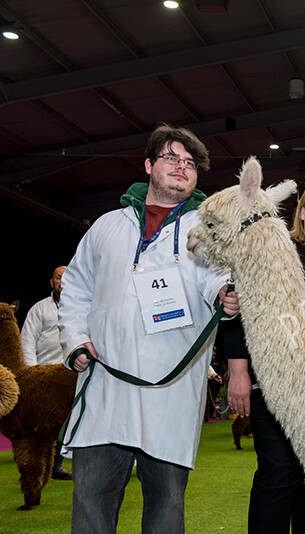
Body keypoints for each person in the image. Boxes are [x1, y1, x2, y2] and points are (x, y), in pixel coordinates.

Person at [58, 124, 239, 533]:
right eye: (171, 158)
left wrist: (225, 295)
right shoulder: (108, 225)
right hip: (107, 385)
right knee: (91, 509)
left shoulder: (205, 228)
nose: (181, 167)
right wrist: (74, 339)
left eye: (190, 163)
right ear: (148, 165)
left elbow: (216, 276)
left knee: (165, 510)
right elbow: (76, 285)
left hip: (169, 394)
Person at [226, 176, 305, 534]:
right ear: (301, 212)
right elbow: (240, 313)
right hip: (278, 387)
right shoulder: (276, 254)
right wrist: (239, 372)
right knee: (279, 474)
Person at [20, 265, 72, 480]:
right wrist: (31, 373)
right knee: (42, 422)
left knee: (65, 419)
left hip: (70, 373)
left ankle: (56, 464)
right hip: (43, 375)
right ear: (52, 282)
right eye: (59, 277)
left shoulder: (81, 308)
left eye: (67, 277)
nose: (62, 281)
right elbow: (27, 341)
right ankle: (35, 464)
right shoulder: (39, 309)